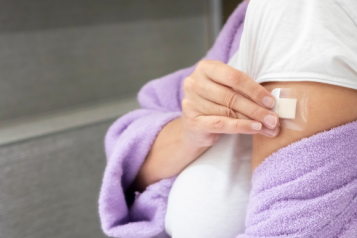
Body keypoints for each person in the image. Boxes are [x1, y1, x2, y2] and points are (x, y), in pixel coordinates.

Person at [99, 0, 357, 237]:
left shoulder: (308, 13)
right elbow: (132, 166)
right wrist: (187, 133)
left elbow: (298, 222)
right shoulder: (247, 26)